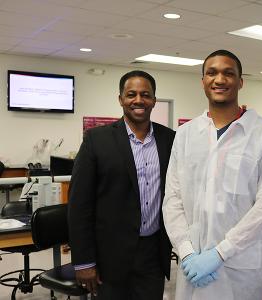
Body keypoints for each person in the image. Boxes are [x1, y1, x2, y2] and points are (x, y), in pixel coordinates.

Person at [162, 50, 262, 300]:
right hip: (193, 264)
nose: (220, 79)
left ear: (240, 82)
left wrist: (221, 252)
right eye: (212, 73)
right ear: (203, 81)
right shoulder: (186, 135)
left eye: (228, 73)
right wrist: (186, 252)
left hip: (239, 266)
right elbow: (172, 199)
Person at [68, 70, 175, 300]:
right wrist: (84, 261)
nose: (138, 100)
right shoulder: (96, 140)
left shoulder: (170, 140)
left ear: (154, 100)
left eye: (145, 94)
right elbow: (79, 206)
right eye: (131, 94)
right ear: (121, 99)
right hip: (109, 256)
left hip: (153, 253)